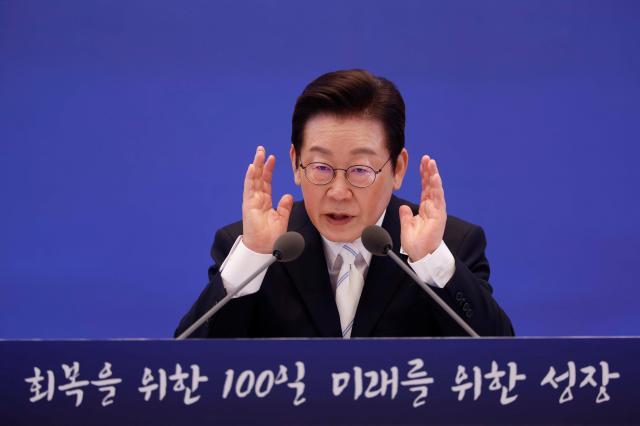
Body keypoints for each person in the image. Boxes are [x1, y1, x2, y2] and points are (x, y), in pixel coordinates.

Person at [175, 69, 514, 338]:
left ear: (398, 169)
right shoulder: (258, 249)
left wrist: (431, 261)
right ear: (296, 164)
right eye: (321, 167)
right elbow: (186, 371)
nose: (338, 192)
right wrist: (252, 258)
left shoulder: (451, 244)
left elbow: (503, 364)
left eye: (360, 170)